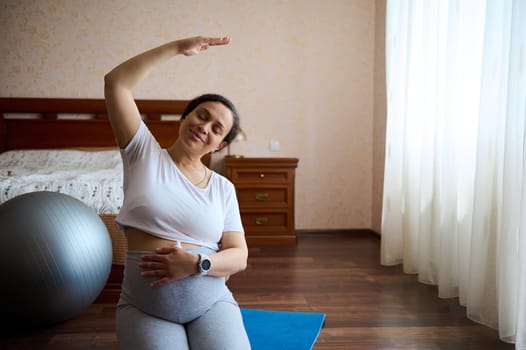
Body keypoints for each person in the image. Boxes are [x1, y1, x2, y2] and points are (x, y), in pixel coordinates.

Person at [104, 36, 251, 350]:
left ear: (220, 145)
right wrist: (176, 48)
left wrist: (198, 263)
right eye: (202, 115)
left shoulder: (223, 188)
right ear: (185, 117)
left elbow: (239, 256)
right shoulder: (143, 154)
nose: (205, 127)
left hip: (211, 306)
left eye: (217, 128)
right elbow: (116, 83)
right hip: (146, 310)